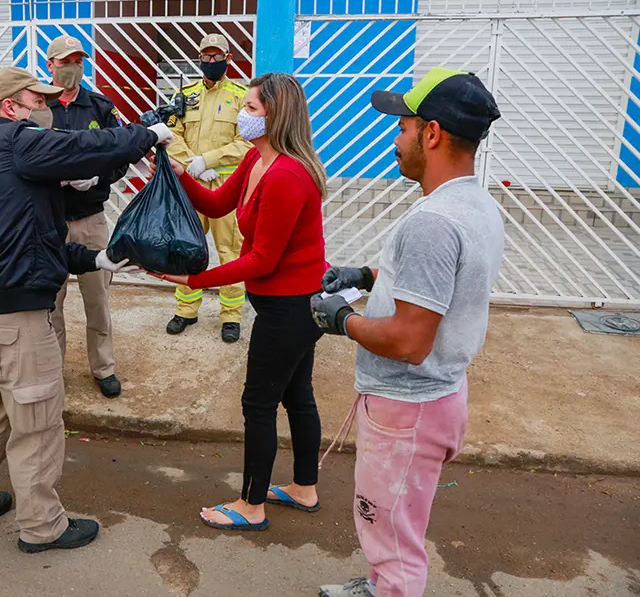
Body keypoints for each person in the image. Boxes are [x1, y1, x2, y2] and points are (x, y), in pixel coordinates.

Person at [0, 67, 173, 554]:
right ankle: (42, 526)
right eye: (36, 99)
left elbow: (35, 240)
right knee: (38, 425)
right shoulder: (16, 139)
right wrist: (146, 135)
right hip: (18, 324)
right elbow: (84, 147)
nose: (45, 108)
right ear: (11, 106)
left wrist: (97, 258)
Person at [311, 68, 503, 597]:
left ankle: (389, 588)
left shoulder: (433, 222)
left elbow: (409, 341)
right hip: (439, 398)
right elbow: (444, 286)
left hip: (407, 411)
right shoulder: (477, 204)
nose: (395, 141)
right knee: (396, 523)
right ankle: (380, 583)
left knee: (392, 536)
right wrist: (367, 276)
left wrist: (341, 319)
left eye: (403, 128)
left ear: (433, 134)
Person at [153, 73, 329, 531]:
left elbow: (262, 260)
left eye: (250, 109)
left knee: (259, 405)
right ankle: (304, 489)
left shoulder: (288, 175)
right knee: (296, 396)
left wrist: (196, 278)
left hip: (291, 307)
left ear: (276, 117)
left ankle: (251, 507)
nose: (241, 115)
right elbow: (214, 205)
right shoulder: (256, 158)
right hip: (288, 304)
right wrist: (178, 174)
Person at [45, 35, 129, 399]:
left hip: (91, 222)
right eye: (65, 61)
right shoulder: (37, 107)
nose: (72, 68)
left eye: (78, 60)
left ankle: (103, 368)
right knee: (51, 304)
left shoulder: (99, 106)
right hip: (49, 223)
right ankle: (52, 370)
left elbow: (120, 154)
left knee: (97, 303)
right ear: (50, 65)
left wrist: (98, 176)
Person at [165, 33, 253, 344]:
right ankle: (186, 309)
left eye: (217, 56)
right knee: (187, 249)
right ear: (199, 58)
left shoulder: (241, 97)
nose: (211, 61)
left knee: (230, 251)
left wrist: (211, 159)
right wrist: (193, 163)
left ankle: (231, 315)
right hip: (192, 183)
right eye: (206, 56)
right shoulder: (186, 95)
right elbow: (170, 133)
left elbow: (247, 142)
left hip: (226, 188)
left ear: (229, 59)